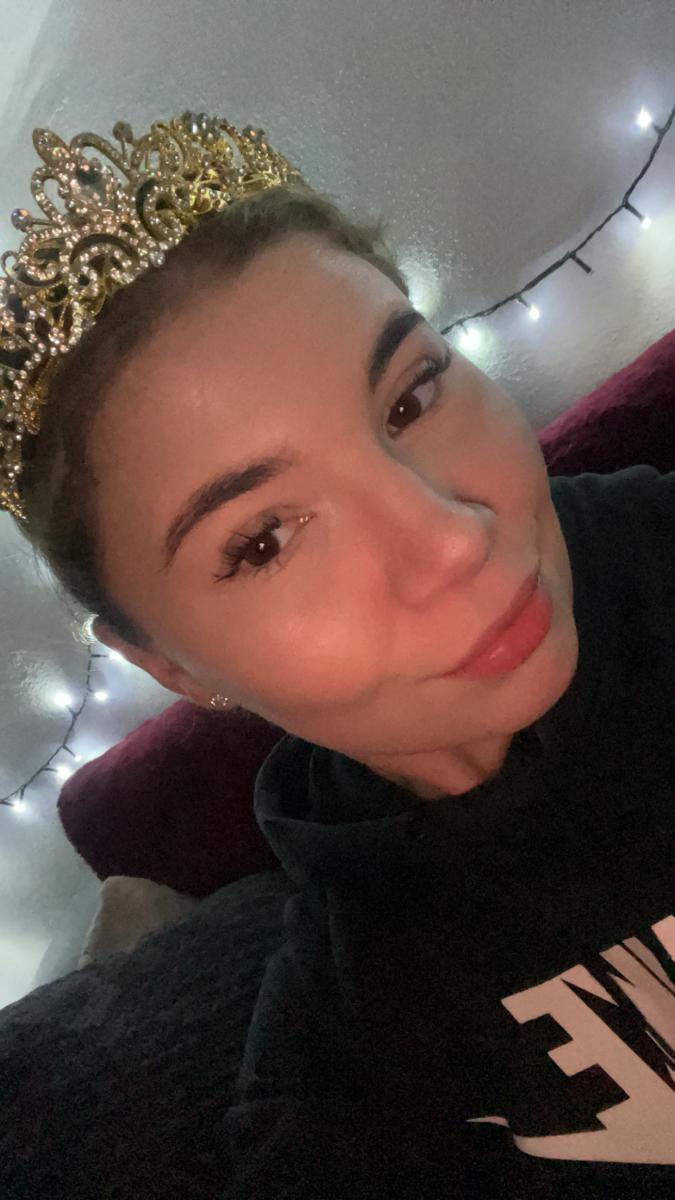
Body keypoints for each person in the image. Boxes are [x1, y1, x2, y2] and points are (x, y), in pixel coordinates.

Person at [2, 113, 673, 1198]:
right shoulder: (359, 1044)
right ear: (173, 668)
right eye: (264, 540)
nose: (452, 540)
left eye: (410, 396)